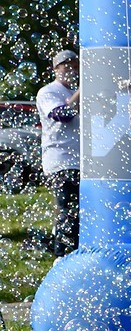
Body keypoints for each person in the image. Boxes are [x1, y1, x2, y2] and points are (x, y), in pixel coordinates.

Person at [35, 50, 81, 256]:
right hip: (62, 160)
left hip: (81, 161)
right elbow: (62, 115)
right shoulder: (48, 91)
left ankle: (73, 252)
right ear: (55, 69)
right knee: (68, 212)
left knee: (79, 213)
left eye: (76, 66)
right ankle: (60, 255)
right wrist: (83, 90)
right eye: (67, 65)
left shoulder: (77, 90)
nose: (72, 69)